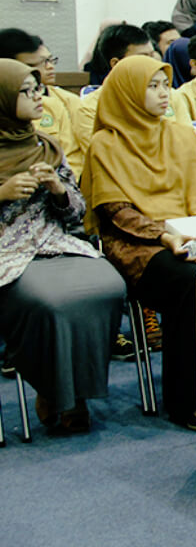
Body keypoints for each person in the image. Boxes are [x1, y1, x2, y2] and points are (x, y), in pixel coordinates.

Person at [81, 55, 196, 429]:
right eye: (151, 86)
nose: (162, 94)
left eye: (164, 85)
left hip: (187, 234)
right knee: (190, 283)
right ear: (127, 93)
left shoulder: (181, 135)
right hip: (138, 245)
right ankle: (186, 400)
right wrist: (164, 236)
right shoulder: (106, 143)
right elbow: (116, 211)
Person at [0, 59, 126, 435]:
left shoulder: (45, 145)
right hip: (8, 253)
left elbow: (75, 213)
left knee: (108, 285)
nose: (39, 97)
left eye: (38, 89)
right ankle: (58, 392)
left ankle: (72, 392)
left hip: (54, 242)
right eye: (26, 91)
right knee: (50, 303)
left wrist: (57, 189)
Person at [1, 30, 84, 178]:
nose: (50, 67)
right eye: (34, 64)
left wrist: (60, 186)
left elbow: (72, 157)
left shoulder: (59, 104)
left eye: (50, 60)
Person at [75, 24, 159, 153]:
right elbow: (102, 156)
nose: (151, 63)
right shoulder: (90, 108)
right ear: (116, 63)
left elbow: (185, 143)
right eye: (142, 57)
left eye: (152, 56)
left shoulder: (169, 96)